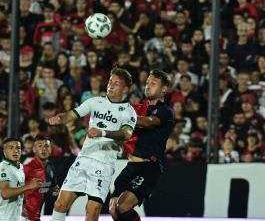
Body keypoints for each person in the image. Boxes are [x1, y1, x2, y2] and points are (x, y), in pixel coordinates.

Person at [49, 67, 137, 221]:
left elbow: (126, 134)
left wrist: (102, 132)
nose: (111, 85)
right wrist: (59, 119)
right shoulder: (95, 101)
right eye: (110, 82)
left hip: (103, 164)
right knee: (60, 205)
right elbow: (71, 114)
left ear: (125, 89)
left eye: (116, 84)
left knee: (92, 212)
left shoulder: (128, 111)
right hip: (83, 159)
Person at [109, 69, 175, 221]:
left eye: (153, 83)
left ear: (164, 89)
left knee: (123, 206)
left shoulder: (166, 112)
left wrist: (122, 115)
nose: (148, 86)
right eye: (147, 83)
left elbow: (147, 122)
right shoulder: (138, 108)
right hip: (130, 167)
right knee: (114, 210)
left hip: (148, 167)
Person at [0, 138, 42, 221]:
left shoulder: (19, 167)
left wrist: (21, 205)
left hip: (16, 217)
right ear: (5, 152)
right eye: (11, 148)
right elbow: (5, 193)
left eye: (18, 147)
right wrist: (28, 186)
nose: (15, 150)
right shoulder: (4, 167)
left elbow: (16, 189)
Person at [23, 134, 60, 221]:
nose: (44, 149)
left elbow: (53, 186)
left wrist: (57, 192)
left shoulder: (51, 168)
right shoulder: (27, 168)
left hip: (36, 217)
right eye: (40, 146)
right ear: (34, 149)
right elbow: (13, 190)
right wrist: (20, 207)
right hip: (23, 217)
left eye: (46, 146)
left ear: (50, 150)